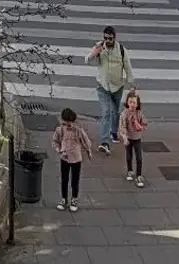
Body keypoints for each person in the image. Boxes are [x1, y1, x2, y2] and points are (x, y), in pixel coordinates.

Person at [88, 26, 134, 154]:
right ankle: (104, 142)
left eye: (110, 38)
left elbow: (127, 67)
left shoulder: (121, 50)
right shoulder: (99, 47)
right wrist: (95, 53)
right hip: (102, 86)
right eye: (105, 38)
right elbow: (87, 60)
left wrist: (131, 83)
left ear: (114, 38)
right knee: (107, 112)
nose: (107, 41)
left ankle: (114, 132)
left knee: (115, 111)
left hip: (117, 86)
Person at [53, 107, 93, 211]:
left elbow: (86, 141)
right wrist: (59, 150)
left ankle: (74, 199)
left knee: (75, 180)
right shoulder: (60, 130)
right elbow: (55, 141)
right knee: (64, 179)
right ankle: (64, 199)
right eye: (65, 122)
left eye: (69, 122)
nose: (67, 125)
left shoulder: (78, 131)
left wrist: (88, 149)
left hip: (76, 158)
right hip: (64, 157)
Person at [122, 90, 148, 189]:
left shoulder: (139, 113)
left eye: (134, 102)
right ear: (127, 103)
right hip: (129, 138)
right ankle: (129, 171)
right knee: (129, 156)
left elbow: (145, 123)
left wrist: (141, 126)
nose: (132, 105)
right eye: (130, 102)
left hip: (137, 138)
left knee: (139, 158)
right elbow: (123, 126)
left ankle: (139, 175)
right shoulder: (125, 114)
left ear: (137, 104)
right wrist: (124, 137)